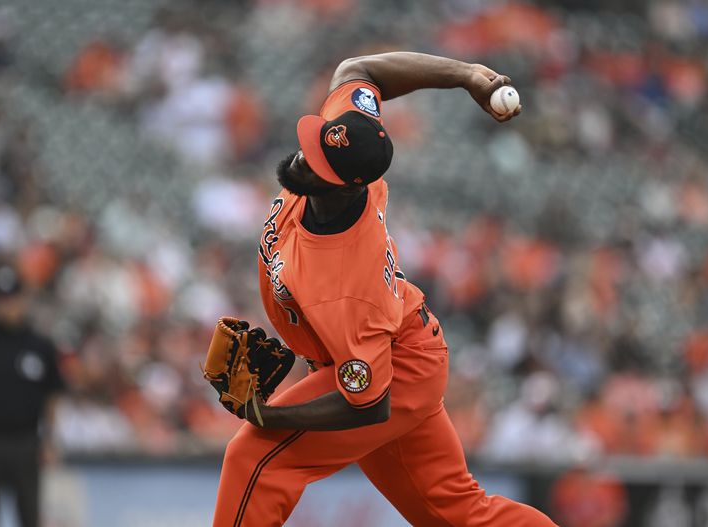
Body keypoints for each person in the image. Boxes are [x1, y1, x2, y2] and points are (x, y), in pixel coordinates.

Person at [212, 51, 556, 526]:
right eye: (312, 145)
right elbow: (362, 70)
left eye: (315, 163)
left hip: (394, 369)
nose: (301, 158)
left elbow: (369, 403)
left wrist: (269, 416)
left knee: (254, 459)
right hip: (394, 345)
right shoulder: (350, 144)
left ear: (348, 187)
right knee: (457, 516)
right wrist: (468, 76)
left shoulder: (347, 282)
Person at [0, 266, 65, 527]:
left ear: (23, 299)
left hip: (26, 440)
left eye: (12, 298)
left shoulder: (40, 346)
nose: (7, 306)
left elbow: (52, 395)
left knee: (29, 515)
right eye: (1, 299)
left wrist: (50, 438)